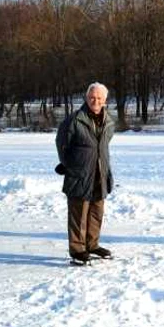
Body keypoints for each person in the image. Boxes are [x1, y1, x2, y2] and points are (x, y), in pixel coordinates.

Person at [55, 82, 115, 264]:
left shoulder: (109, 122)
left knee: (96, 212)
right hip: (79, 174)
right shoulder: (74, 120)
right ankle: (77, 249)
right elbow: (61, 144)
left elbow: (103, 146)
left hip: (100, 173)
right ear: (86, 98)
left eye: (99, 98)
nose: (95, 101)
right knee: (79, 213)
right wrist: (71, 165)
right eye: (92, 97)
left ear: (104, 100)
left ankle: (92, 245)